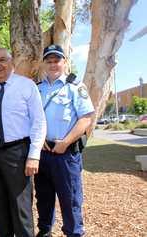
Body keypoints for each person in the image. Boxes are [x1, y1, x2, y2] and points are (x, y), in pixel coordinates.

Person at [0, 48, 47, 237]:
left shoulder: (26, 86)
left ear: (11, 62)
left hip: (17, 153)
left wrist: (34, 155)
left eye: (2, 60)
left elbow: (39, 121)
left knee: (21, 207)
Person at [35, 44, 94, 237]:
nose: (53, 64)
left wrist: (66, 142)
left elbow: (86, 118)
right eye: (49, 61)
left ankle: (74, 233)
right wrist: (39, 138)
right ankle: (45, 232)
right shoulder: (36, 89)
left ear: (64, 62)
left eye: (57, 60)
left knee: (70, 199)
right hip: (42, 153)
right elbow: (31, 118)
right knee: (43, 198)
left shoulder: (75, 87)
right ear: (44, 63)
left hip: (66, 155)